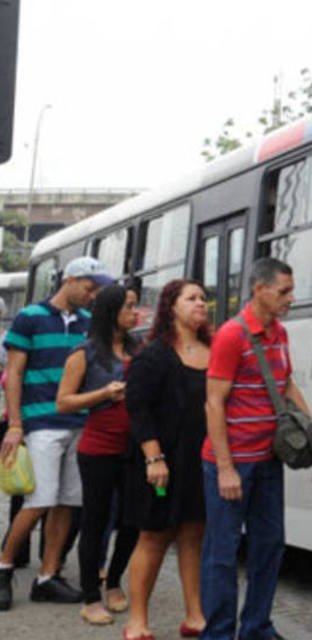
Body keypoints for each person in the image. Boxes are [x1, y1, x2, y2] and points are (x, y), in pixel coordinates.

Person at [203, 257, 310, 640]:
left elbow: (285, 384)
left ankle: (256, 627)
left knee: (269, 546)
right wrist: (226, 468)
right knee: (222, 552)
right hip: (234, 463)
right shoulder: (231, 335)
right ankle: (217, 633)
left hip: (268, 462)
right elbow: (214, 402)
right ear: (258, 289)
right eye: (283, 291)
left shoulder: (279, 333)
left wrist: (309, 426)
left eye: (291, 290)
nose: (290, 298)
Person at [0, 256, 113, 611]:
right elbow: (14, 374)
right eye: (89, 286)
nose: (93, 294)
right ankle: (3, 568)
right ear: (71, 279)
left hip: (80, 422)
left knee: (66, 502)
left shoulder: (89, 323)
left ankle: (47, 576)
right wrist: (16, 425)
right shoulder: (30, 317)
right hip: (42, 422)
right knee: (40, 500)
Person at [124, 279, 211, 640]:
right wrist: (153, 457)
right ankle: (137, 621)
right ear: (171, 306)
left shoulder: (213, 349)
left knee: (193, 535)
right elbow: (138, 407)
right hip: (160, 461)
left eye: (204, 298)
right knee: (154, 537)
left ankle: (194, 616)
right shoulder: (154, 354)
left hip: (198, 460)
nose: (201, 304)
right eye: (191, 298)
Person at [55, 284, 140, 624]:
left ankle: (115, 581)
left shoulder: (141, 349)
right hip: (98, 449)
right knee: (95, 520)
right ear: (111, 311)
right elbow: (64, 401)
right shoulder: (85, 352)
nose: (136, 313)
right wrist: (104, 392)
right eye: (129, 307)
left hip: (135, 449)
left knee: (134, 520)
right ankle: (91, 595)